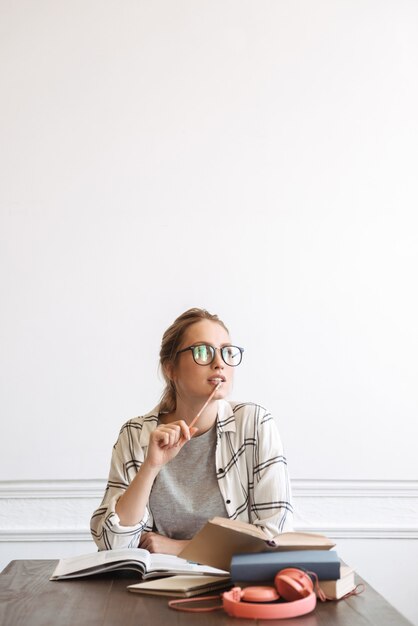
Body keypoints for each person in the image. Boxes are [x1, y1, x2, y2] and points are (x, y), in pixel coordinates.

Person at [90, 308, 293, 555]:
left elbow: (275, 538)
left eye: (227, 352)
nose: (219, 363)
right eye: (203, 352)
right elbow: (113, 544)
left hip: (233, 587)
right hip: (152, 585)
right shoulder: (135, 434)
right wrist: (151, 467)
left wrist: (180, 548)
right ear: (170, 369)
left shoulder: (255, 424)